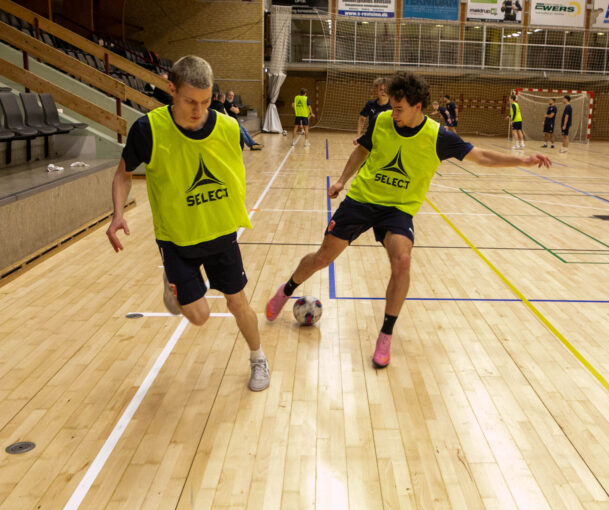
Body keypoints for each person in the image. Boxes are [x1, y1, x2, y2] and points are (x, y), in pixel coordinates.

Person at [264, 71, 551, 369]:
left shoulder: (437, 137)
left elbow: (481, 157)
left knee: (402, 260)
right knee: (323, 257)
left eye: (399, 108)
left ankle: (385, 335)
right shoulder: (381, 120)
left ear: (417, 107)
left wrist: (523, 160)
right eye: (392, 107)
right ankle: (286, 290)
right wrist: (341, 181)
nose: (392, 112)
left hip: (398, 209)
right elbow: (363, 149)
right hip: (362, 199)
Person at [105, 55, 270, 392]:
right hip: (176, 239)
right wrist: (117, 213)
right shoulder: (147, 129)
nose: (198, 109)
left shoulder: (227, 128)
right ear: (171, 89)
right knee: (199, 317)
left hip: (221, 235)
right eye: (190, 101)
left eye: (206, 101)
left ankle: (258, 358)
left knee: (238, 303)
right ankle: (176, 282)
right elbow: (123, 174)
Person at [356, 77, 391, 145]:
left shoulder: (394, 106)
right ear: (376, 90)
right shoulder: (370, 104)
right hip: (371, 137)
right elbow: (362, 118)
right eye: (381, 89)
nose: (383, 92)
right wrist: (357, 135)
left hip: (387, 140)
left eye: (385, 90)